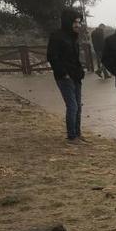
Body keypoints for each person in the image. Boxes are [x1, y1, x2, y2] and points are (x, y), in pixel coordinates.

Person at [46, 8, 85, 143]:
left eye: (79, 22)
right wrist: (63, 73)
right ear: (68, 22)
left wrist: (80, 72)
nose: (78, 25)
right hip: (64, 77)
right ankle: (72, 136)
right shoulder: (56, 36)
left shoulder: (74, 37)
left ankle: (78, 134)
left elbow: (75, 58)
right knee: (72, 106)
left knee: (78, 106)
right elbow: (52, 57)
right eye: (75, 22)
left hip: (76, 76)